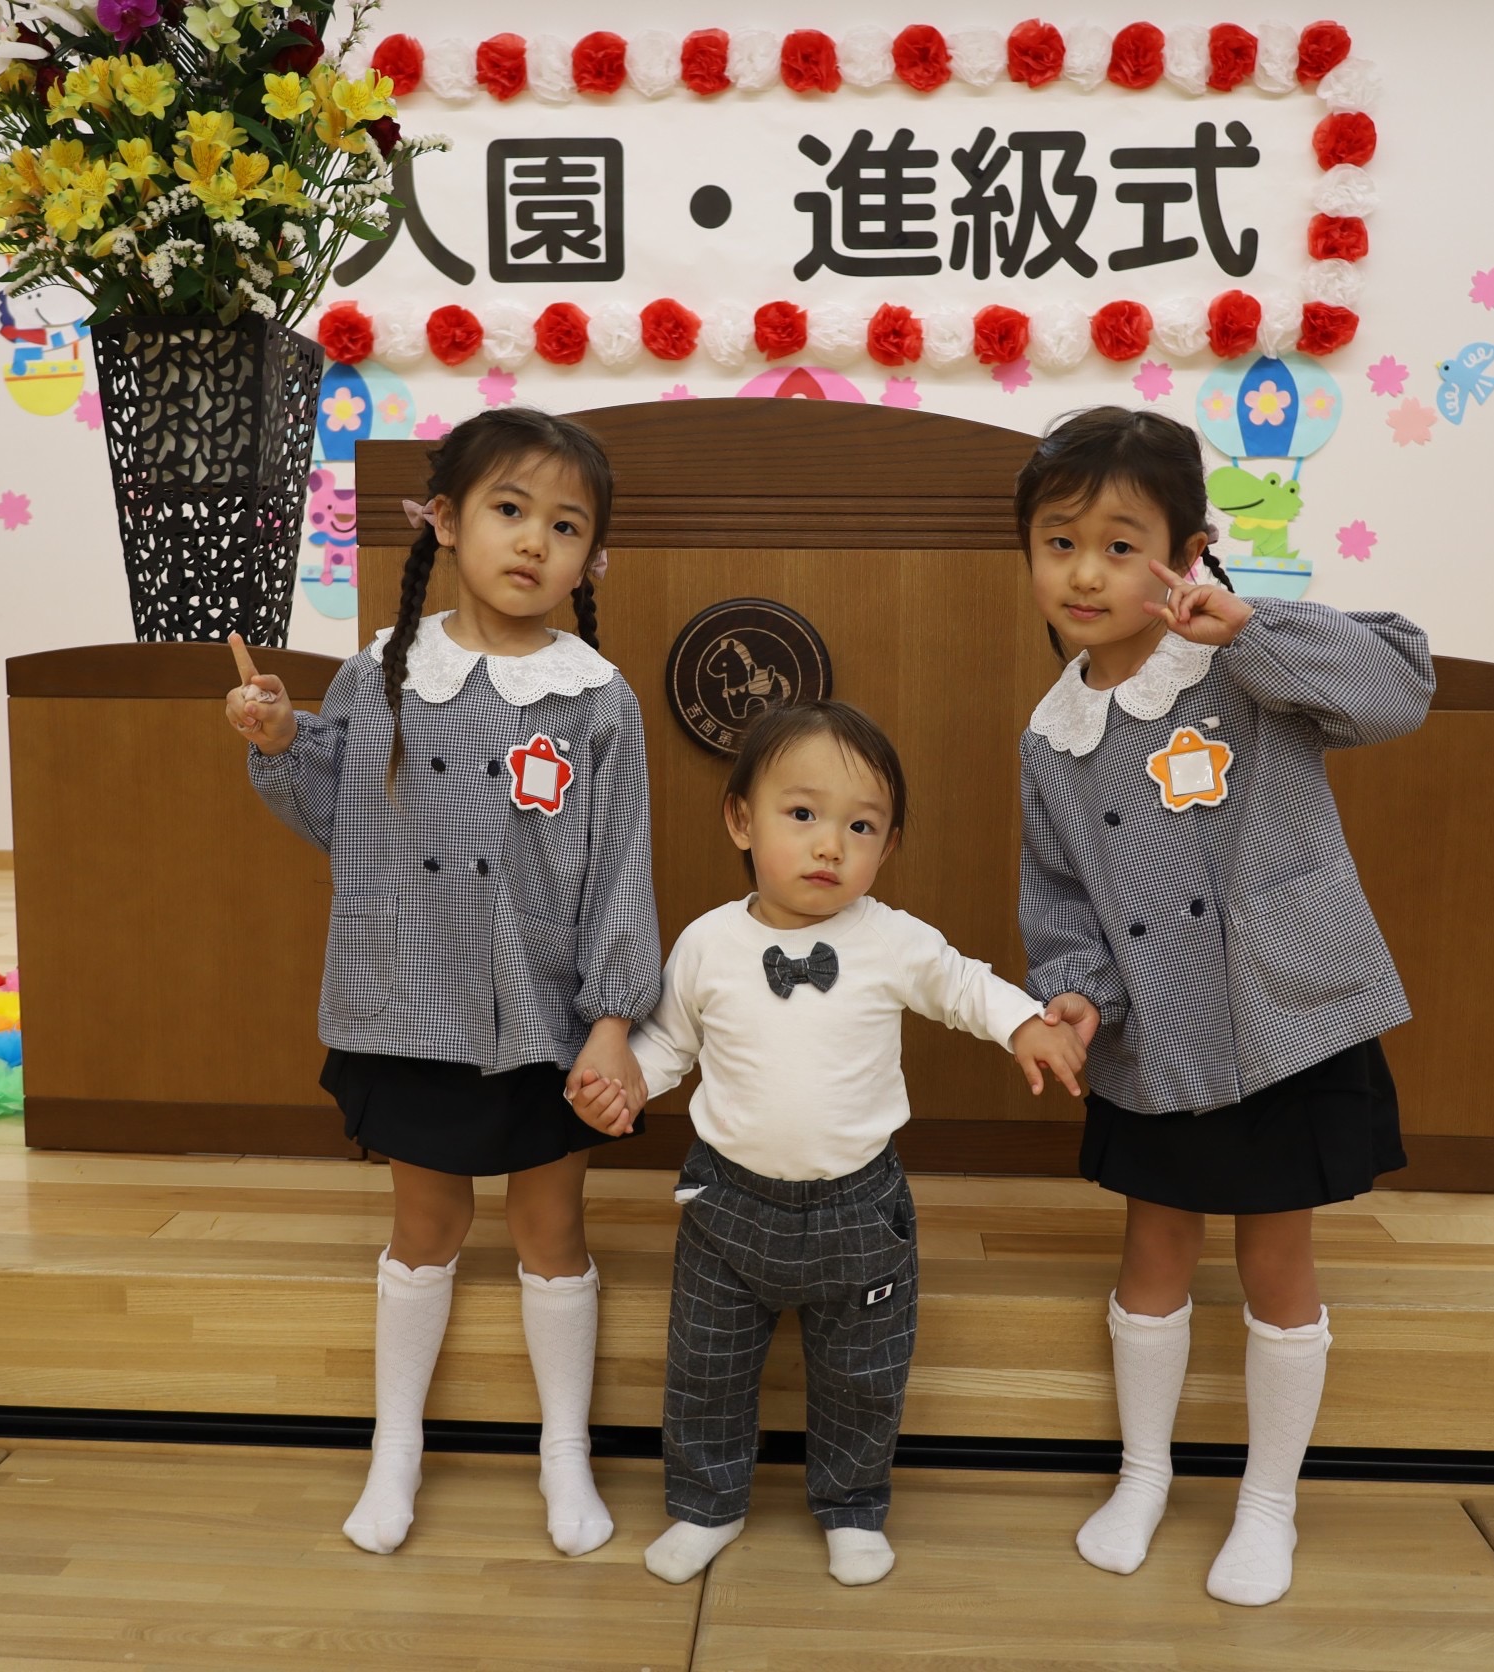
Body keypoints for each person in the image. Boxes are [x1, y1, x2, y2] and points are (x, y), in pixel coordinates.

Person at [1011, 407, 1433, 1603]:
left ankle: (1268, 1502)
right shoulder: (1051, 735)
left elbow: (1401, 687)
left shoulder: (1248, 667)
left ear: (1188, 552)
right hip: (1155, 1035)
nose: (1086, 573)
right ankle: (1143, 1474)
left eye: (1120, 544)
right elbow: (1061, 901)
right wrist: (1076, 997)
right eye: (1059, 543)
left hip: (1282, 1018)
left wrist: (1250, 623)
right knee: (1151, 1247)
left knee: (1277, 1256)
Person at [225, 407, 658, 1561]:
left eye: (566, 525)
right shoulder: (382, 673)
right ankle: (396, 1447)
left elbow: (622, 871)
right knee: (425, 1221)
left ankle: (564, 1449)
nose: (535, 541)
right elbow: (334, 811)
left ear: (592, 557)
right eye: (511, 510)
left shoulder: (596, 698)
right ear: (448, 521)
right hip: (410, 995)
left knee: (551, 1225)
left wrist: (612, 1021)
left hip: (543, 1013)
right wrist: (279, 741)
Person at [571, 701, 1086, 1589]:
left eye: (860, 827)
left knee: (862, 1374)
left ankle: (852, 1505)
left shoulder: (890, 939)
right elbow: (669, 1047)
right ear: (742, 819)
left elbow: (964, 986)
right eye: (802, 814)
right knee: (705, 1367)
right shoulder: (707, 944)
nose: (829, 846)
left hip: (859, 1208)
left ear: (888, 847)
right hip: (727, 1207)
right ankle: (707, 1503)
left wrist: (1024, 1025)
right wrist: (624, 1090)